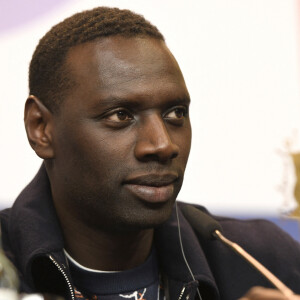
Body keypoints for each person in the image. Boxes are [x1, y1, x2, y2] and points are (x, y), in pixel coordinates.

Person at [0, 6, 300, 300]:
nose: (162, 144)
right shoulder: (6, 264)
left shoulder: (262, 259)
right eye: (120, 115)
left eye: (175, 113)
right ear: (40, 128)